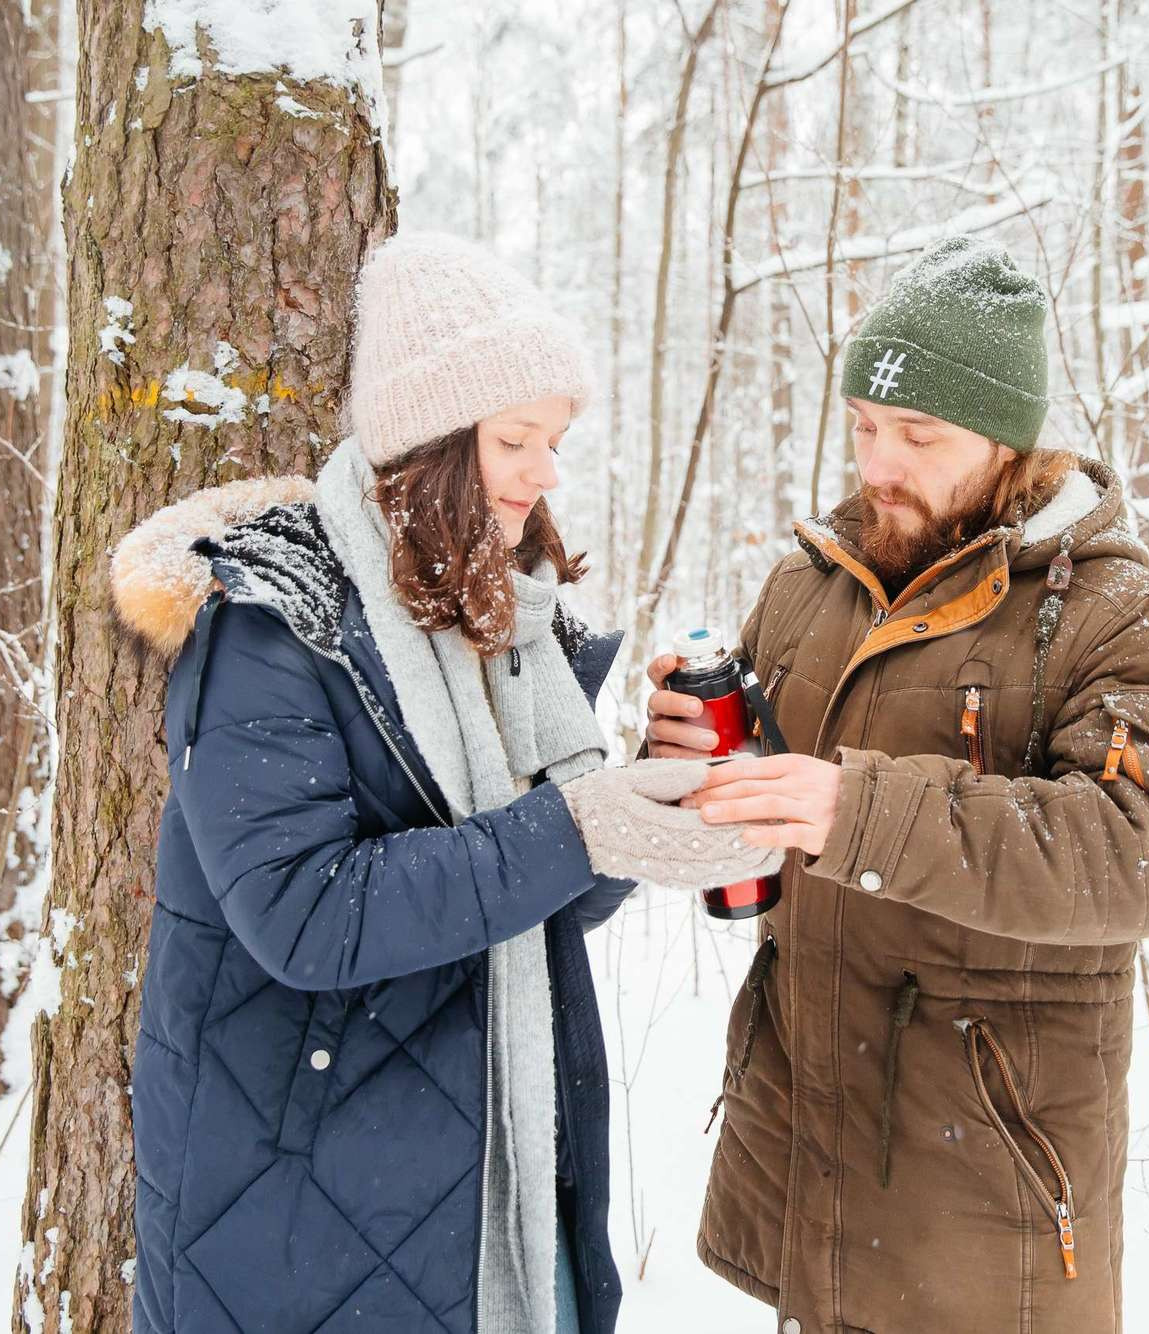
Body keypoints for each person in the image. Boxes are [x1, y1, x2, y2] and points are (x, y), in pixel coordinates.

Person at [111, 230, 779, 1334]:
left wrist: (643, 798)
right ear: (429, 442)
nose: (546, 473)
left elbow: (552, 898)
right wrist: (577, 826)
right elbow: (303, 912)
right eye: (515, 439)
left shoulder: (504, 621)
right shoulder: (274, 623)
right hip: (303, 1208)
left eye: (553, 441)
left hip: (493, 1178)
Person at [647, 235, 1149, 1333]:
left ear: (1006, 441)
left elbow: (1144, 853)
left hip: (982, 1193)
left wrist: (855, 810)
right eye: (865, 425)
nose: (878, 464)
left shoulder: (1119, 616)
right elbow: (758, 824)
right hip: (810, 1154)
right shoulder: (809, 586)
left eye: (918, 435)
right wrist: (687, 762)